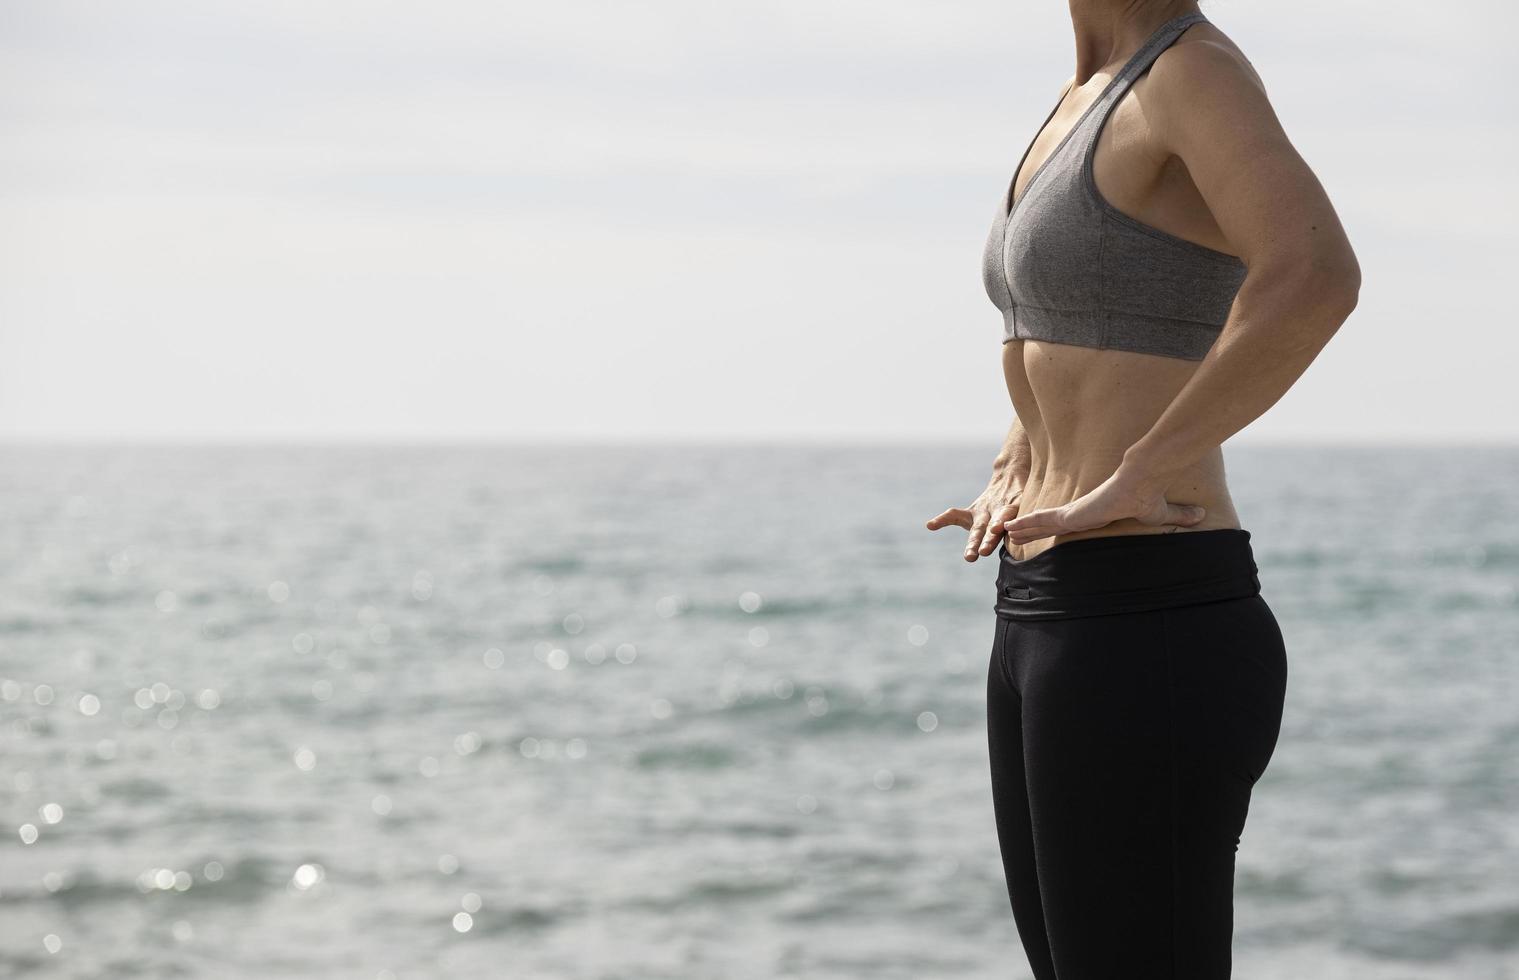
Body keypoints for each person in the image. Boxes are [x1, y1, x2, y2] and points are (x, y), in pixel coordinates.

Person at [925, 3, 1360, 978]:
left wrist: (1141, 466)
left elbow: (1316, 273)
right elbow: (1076, 323)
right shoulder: (1081, 93)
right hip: (1042, 608)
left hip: (1149, 616)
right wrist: (1017, 454)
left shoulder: (1192, 71)